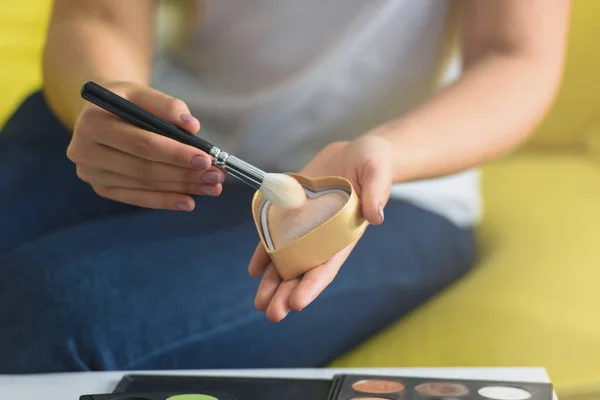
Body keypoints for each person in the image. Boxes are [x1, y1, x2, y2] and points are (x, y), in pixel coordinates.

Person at [0, 0, 570, 373]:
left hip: (397, 182)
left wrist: (391, 155)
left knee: (59, 319)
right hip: (156, 127)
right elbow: (96, 15)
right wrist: (110, 97)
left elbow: (513, 55)